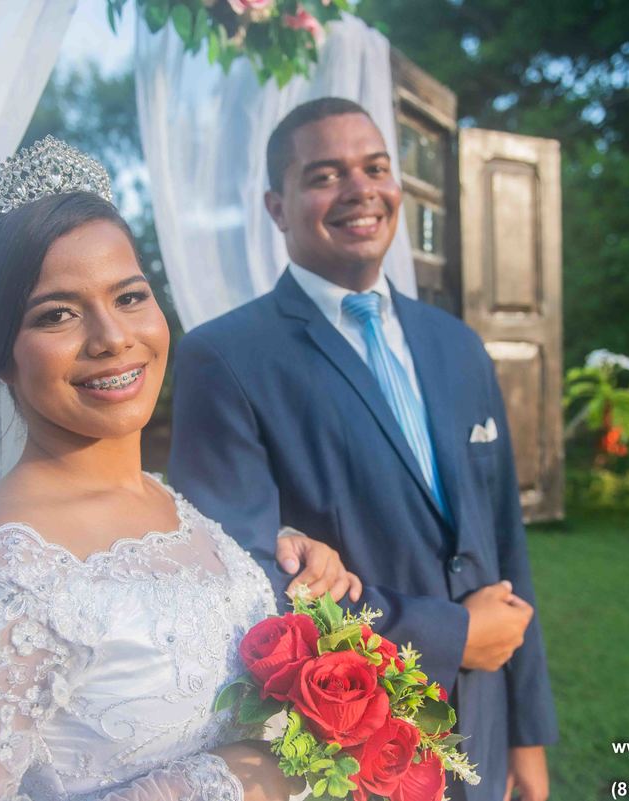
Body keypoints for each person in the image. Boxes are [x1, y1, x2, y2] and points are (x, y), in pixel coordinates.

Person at [0, 138, 358, 801]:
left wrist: (294, 582)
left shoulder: (168, 503)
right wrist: (229, 781)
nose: (112, 337)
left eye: (128, 296)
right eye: (57, 313)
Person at [168, 98, 558, 801]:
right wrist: (451, 636)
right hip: (351, 750)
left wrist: (527, 737)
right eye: (325, 174)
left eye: (376, 168)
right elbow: (241, 578)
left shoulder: (458, 346)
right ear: (277, 206)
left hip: (490, 726)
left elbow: (505, 544)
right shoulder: (224, 359)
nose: (360, 190)